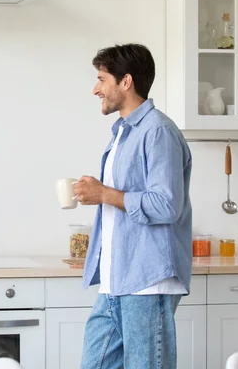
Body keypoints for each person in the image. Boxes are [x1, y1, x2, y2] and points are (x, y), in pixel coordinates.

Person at [73, 44, 192, 369]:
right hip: (116, 280)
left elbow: (166, 204)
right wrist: (95, 194)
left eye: (101, 79)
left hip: (148, 280)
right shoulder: (123, 133)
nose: (95, 89)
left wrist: (103, 194)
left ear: (126, 82)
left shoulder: (158, 132)